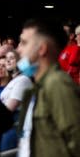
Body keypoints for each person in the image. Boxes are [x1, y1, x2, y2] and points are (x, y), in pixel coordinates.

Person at [16, 18, 80, 157]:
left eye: (24, 43)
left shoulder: (58, 84)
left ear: (42, 49)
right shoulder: (35, 89)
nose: (18, 49)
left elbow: (76, 140)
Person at [0, 49, 32, 150]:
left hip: (13, 127)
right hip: (7, 126)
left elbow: (9, 109)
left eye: (12, 58)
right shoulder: (15, 80)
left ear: (20, 61)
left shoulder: (23, 80)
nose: (7, 61)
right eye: (7, 58)